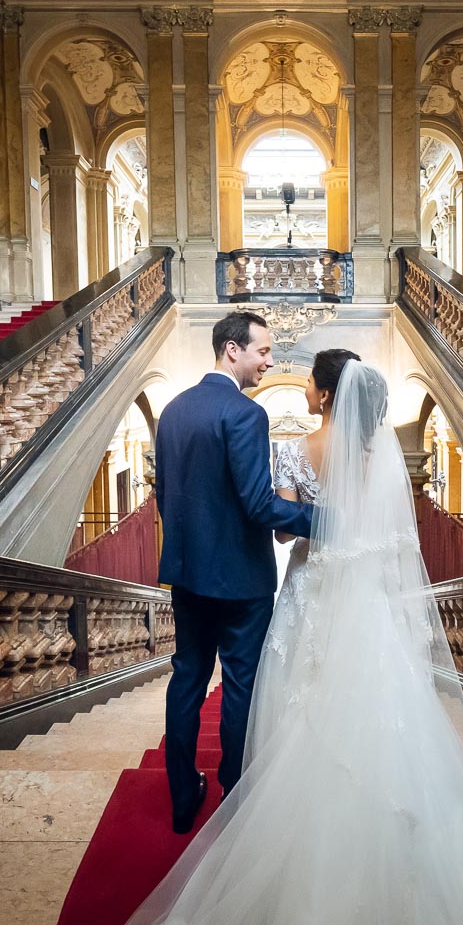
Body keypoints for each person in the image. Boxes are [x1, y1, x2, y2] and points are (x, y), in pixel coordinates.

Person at [53, 350, 463, 925]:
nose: (298, 380)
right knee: (380, 726)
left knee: (290, 708)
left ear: (328, 394)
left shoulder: (302, 449)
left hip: (311, 592)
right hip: (368, 611)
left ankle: (253, 814)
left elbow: (277, 521)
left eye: (309, 379)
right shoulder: (382, 462)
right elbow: (395, 547)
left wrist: (319, 527)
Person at [151, 311, 316, 835]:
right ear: (232, 350)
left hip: (187, 573)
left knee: (187, 680)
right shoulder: (245, 415)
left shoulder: (173, 410)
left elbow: (164, 496)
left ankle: (181, 797)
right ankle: (233, 796)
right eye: (263, 351)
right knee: (241, 685)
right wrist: (324, 519)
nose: (270, 361)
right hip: (241, 581)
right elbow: (258, 504)